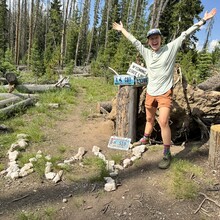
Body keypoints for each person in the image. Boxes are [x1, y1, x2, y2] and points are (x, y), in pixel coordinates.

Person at [113, 8, 217, 169]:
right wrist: (122, 29)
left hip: (164, 93)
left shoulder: (170, 49)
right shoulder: (147, 53)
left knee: (162, 121)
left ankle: (166, 153)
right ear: (148, 41)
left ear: (160, 39)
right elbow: (134, 41)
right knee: (149, 119)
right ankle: (145, 138)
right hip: (150, 93)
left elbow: (185, 34)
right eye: (151, 39)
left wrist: (203, 21)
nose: (154, 41)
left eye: (156, 38)